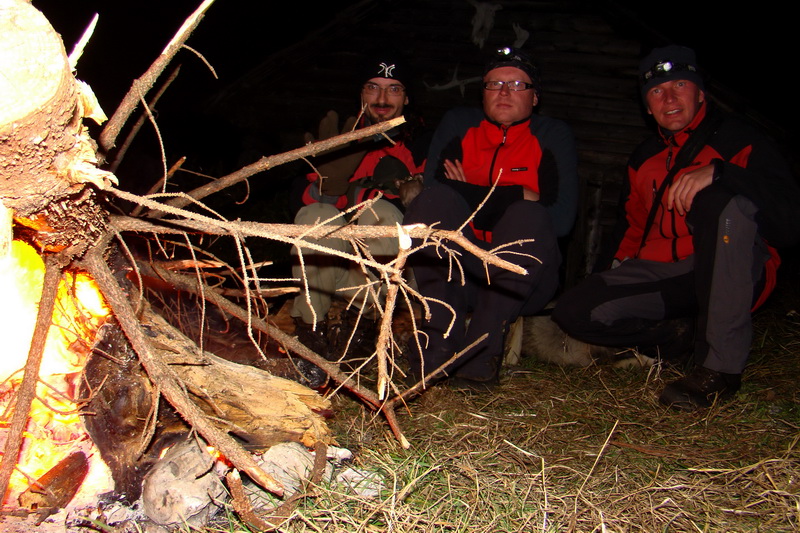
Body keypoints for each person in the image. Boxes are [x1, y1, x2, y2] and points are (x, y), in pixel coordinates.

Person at [552, 45, 800, 410]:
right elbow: (631, 226)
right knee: (574, 310)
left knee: (720, 201)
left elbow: (789, 221)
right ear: (647, 105)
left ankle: (720, 369)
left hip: (730, 268)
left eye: (679, 85)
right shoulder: (643, 157)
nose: (668, 97)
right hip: (664, 275)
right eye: (655, 91)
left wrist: (724, 174)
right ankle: (674, 338)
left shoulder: (741, 140)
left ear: (700, 92)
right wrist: (606, 277)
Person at [403, 47, 578, 390]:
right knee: (435, 201)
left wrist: (472, 191)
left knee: (528, 215)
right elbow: (438, 198)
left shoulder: (552, 135)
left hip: (522, 280)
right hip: (460, 274)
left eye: (517, 85)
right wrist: (516, 193)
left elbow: (559, 220)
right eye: (494, 84)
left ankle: (480, 351)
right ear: (482, 92)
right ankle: (438, 342)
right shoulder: (459, 124)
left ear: (535, 97)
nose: (504, 92)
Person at [290, 52, 428, 373]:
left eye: (393, 89)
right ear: (361, 93)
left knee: (378, 212)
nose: (382, 98)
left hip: (377, 283)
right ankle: (311, 333)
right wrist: (331, 188)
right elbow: (301, 203)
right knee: (315, 215)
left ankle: (361, 328)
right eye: (373, 87)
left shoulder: (421, 144)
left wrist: (403, 194)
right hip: (329, 272)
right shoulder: (337, 136)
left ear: (407, 98)